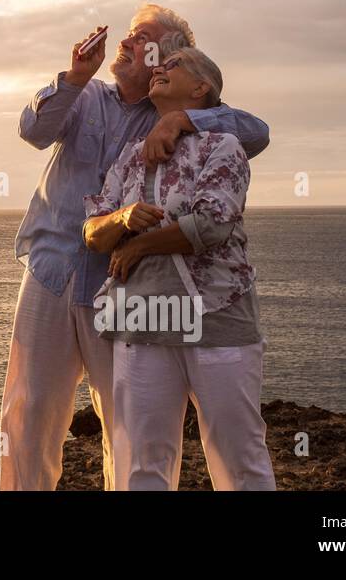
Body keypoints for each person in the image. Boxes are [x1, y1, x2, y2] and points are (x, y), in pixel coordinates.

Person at [0, 5, 269, 491]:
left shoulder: (174, 113)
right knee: (28, 412)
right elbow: (33, 130)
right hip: (52, 272)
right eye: (128, 33)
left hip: (123, 285)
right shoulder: (85, 97)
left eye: (140, 37)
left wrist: (183, 118)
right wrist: (75, 76)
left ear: (164, 60)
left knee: (127, 427)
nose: (124, 42)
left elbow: (257, 132)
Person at [82, 47, 275, 490]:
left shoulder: (224, 145)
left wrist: (139, 246)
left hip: (214, 314)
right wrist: (123, 219)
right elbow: (93, 233)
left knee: (237, 455)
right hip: (141, 317)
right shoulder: (130, 156)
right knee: (142, 460)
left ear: (201, 86)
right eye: (159, 66)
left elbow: (212, 223)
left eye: (174, 65)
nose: (159, 70)